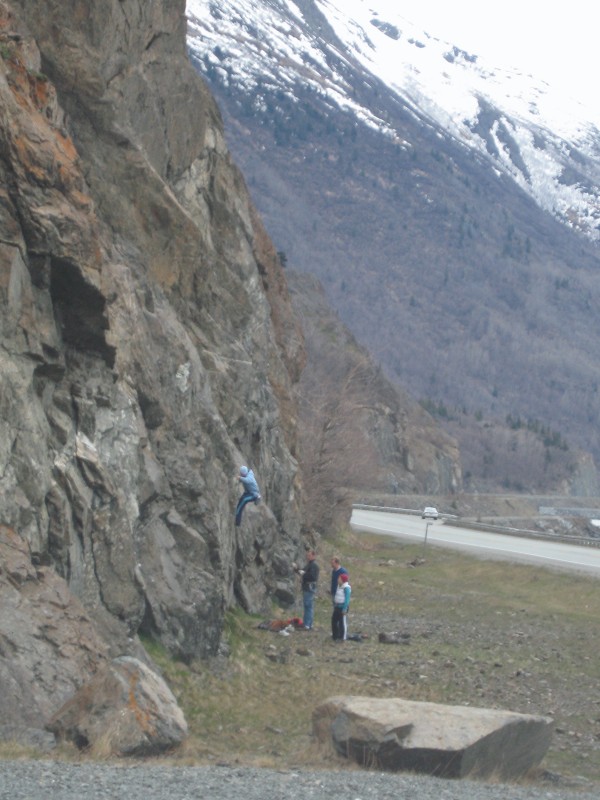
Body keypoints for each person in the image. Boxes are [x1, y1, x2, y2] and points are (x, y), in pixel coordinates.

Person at [293, 549, 319, 630]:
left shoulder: (314, 566)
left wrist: (303, 573)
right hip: (306, 587)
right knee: (307, 606)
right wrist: (296, 569)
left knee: (308, 606)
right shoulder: (309, 565)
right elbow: (302, 571)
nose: (308, 557)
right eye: (307, 555)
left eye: (309, 555)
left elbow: (313, 577)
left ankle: (308, 624)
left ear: (314, 556)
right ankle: (307, 623)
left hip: (309, 588)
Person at [332, 572, 351, 641]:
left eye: (339, 578)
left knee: (342, 623)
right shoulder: (339, 586)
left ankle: (342, 637)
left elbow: (347, 599)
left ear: (342, 580)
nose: (338, 580)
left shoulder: (346, 588)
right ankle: (335, 635)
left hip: (342, 607)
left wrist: (344, 609)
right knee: (334, 621)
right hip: (337, 606)